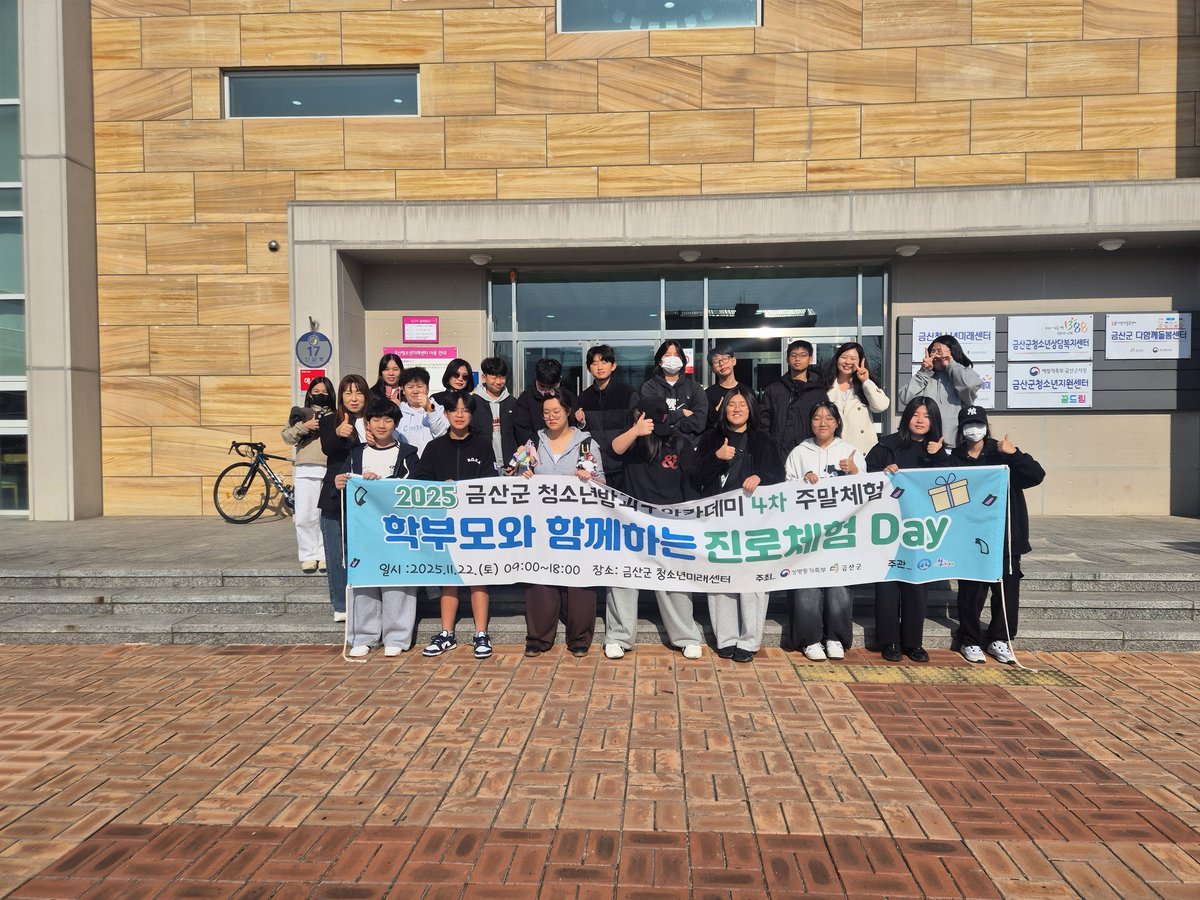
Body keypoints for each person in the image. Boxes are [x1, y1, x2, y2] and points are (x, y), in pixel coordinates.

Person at [604, 397, 705, 661]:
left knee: (674, 582)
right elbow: (611, 452)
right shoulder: (631, 441)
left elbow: (692, 480)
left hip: (669, 525)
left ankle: (686, 637)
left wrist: (689, 519)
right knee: (623, 578)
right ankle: (618, 636)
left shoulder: (679, 442)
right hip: (631, 523)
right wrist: (635, 431)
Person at [688, 387, 784, 662]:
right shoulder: (711, 438)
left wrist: (760, 477)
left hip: (754, 523)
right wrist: (716, 458)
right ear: (724, 409)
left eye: (742, 404)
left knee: (753, 580)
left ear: (751, 408)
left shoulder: (763, 440)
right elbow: (694, 476)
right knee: (720, 580)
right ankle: (726, 638)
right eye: (732, 404)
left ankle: (750, 640)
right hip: (716, 521)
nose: (737, 409)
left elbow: (778, 475)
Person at [951, 406, 1045, 665]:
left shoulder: (1002, 453)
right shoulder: (955, 458)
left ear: (986, 426)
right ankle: (970, 639)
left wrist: (1015, 454)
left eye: (978, 423)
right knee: (971, 590)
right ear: (961, 428)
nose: (974, 428)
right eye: (969, 424)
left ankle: (1000, 639)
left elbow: (1036, 476)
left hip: (1006, 535)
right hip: (971, 537)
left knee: (1006, 590)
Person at [412, 391, 499, 660]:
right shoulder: (434, 447)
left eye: (465, 410)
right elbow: (420, 481)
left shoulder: (483, 446)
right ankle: (446, 633)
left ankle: (481, 633)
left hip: (475, 524)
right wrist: (442, 487)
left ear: (472, 415)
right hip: (444, 523)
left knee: (477, 577)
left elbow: (490, 482)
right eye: (454, 410)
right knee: (448, 577)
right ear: (446, 414)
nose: (460, 415)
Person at [518, 392, 605, 658]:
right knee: (540, 578)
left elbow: (602, 482)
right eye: (546, 412)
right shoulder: (533, 443)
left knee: (579, 581)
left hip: (578, 526)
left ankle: (579, 638)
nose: (551, 417)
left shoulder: (586, 443)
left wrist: (589, 478)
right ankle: (538, 638)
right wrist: (522, 474)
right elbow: (515, 476)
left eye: (556, 411)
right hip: (542, 526)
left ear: (568, 411)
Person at [865, 397, 952, 663]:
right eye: (915, 414)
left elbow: (951, 484)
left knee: (916, 585)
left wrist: (939, 456)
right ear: (906, 417)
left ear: (934, 421)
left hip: (920, 528)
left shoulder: (939, 450)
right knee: (888, 584)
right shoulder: (886, 446)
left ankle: (913, 643)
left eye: (926, 415)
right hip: (889, 526)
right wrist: (883, 472)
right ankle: (889, 640)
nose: (920, 420)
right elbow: (866, 476)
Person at [335, 399, 420, 659]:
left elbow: (415, 487)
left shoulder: (408, 454)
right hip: (364, 531)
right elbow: (341, 486)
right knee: (364, 579)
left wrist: (381, 483)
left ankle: (397, 635)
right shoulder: (356, 454)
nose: (382, 425)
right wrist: (339, 482)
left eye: (388, 420)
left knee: (398, 580)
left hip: (398, 530)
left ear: (396, 424)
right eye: (376, 419)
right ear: (367, 424)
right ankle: (363, 635)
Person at [784, 401, 860, 662]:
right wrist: (802, 481)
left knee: (839, 583)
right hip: (807, 532)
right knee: (807, 581)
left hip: (841, 531)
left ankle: (835, 637)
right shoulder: (799, 452)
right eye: (817, 418)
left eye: (829, 418)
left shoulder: (849, 450)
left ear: (837, 422)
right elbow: (786, 488)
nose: (823, 423)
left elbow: (867, 490)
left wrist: (854, 472)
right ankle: (810, 639)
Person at [318, 374, 370, 622]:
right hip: (335, 494)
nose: (353, 398)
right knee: (336, 552)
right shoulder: (330, 421)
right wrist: (339, 433)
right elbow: (328, 449)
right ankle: (341, 605)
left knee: (360, 551)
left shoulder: (374, 420)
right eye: (348, 393)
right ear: (341, 397)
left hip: (367, 497)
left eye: (358, 392)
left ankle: (364, 601)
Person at [281, 376, 334, 575]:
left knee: (324, 516)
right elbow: (287, 436)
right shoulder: (301, 413)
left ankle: (324, 553)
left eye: (325, 392)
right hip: (305, 469)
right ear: (310, 393)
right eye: (317, 391)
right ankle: (308, 555)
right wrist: (305, 426)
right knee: (304, 515)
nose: (321, 395)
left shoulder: (337, 414)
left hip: (329, 469)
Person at [898, 334, 981, 448]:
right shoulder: (924, 376)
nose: (936, 355)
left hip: (954, 445)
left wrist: (951, 365)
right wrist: (924, 372)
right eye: (933, 351)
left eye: (940, 351)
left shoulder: (963, 373)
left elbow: (969, 386)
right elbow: (906, 398)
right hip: (924, 444)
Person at [576, 344, 637, 491]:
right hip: (595, 470)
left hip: (624, 467)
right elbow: (582, 436)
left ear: (613, 366)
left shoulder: (628, 394)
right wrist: (581, 423)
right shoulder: (584, 397)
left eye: (604, 362)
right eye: (594, 363)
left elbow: (635, 429)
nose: (600, 367)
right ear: (588, 368)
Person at [760, 339, 825, 457]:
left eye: (802, 355)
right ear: (787, 360)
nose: (797, 359)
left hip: (810, 452)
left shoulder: (818, 392)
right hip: (778, 453)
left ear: (810, 359)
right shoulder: (773, 390)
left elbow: (824, 423)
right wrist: (768, 447)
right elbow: (763, 423)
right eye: (793, 355)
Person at [824, 341, 890, 456]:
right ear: (837, 359)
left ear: (860, 361)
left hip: (862, 450)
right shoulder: (825, 385)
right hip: (832, 449)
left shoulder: (865, 385)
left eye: (853, 358)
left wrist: (866, 381)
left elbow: (881, 406)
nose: (848, 362)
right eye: (844, 357)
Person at [637, 339, 707, 447]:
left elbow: (700, 422)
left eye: (676, 355)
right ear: (659, 361)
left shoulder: (695, 387)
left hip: (688, 447)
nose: (672, 358)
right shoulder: (650, 387)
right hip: (658, 447)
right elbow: (653, 420)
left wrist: (671, 425)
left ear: (682, 360)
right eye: (667, 355)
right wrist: (681, 413)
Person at [513, 357, 576, 446]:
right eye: (542, 387)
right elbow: (523, 433)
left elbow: (573, 427)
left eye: (552, 387)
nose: (547, 391)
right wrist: (544, 448)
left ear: (560, 379)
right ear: (536, 378)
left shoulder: (569, 398)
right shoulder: (525, 399)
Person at [474, 356, 518, 470]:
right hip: (482, 464)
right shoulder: (474, 402)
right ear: (484, 377)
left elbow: (518, 437)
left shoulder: (513, 402)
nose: (498, 382)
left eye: (502, 377)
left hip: (509, 465)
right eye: (494, 377)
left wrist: (515, 463)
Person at [433, 358, 489, 442]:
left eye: (465, 376)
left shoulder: (474, 399)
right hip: (443, 444)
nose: (460, 379)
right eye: (456, 375)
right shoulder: (436, 399)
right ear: (448, 375)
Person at [396, 367, 448, 457]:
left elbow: (442, 434)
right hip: (408, 463)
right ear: (403, 390)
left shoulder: (440, 410)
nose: (415, 391)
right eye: (410, 387)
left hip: (434, 462)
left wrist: (429, 409)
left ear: (427, 389)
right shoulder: (397, 413)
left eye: (420, 386)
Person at [704, 344, 743, 431]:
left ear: (734, 361)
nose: (721, 364)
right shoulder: (707, 394)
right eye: (716, 362)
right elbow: (705, 424)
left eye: (725, 359)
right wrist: (716, 413)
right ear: (712, 369)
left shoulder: (746, 391)